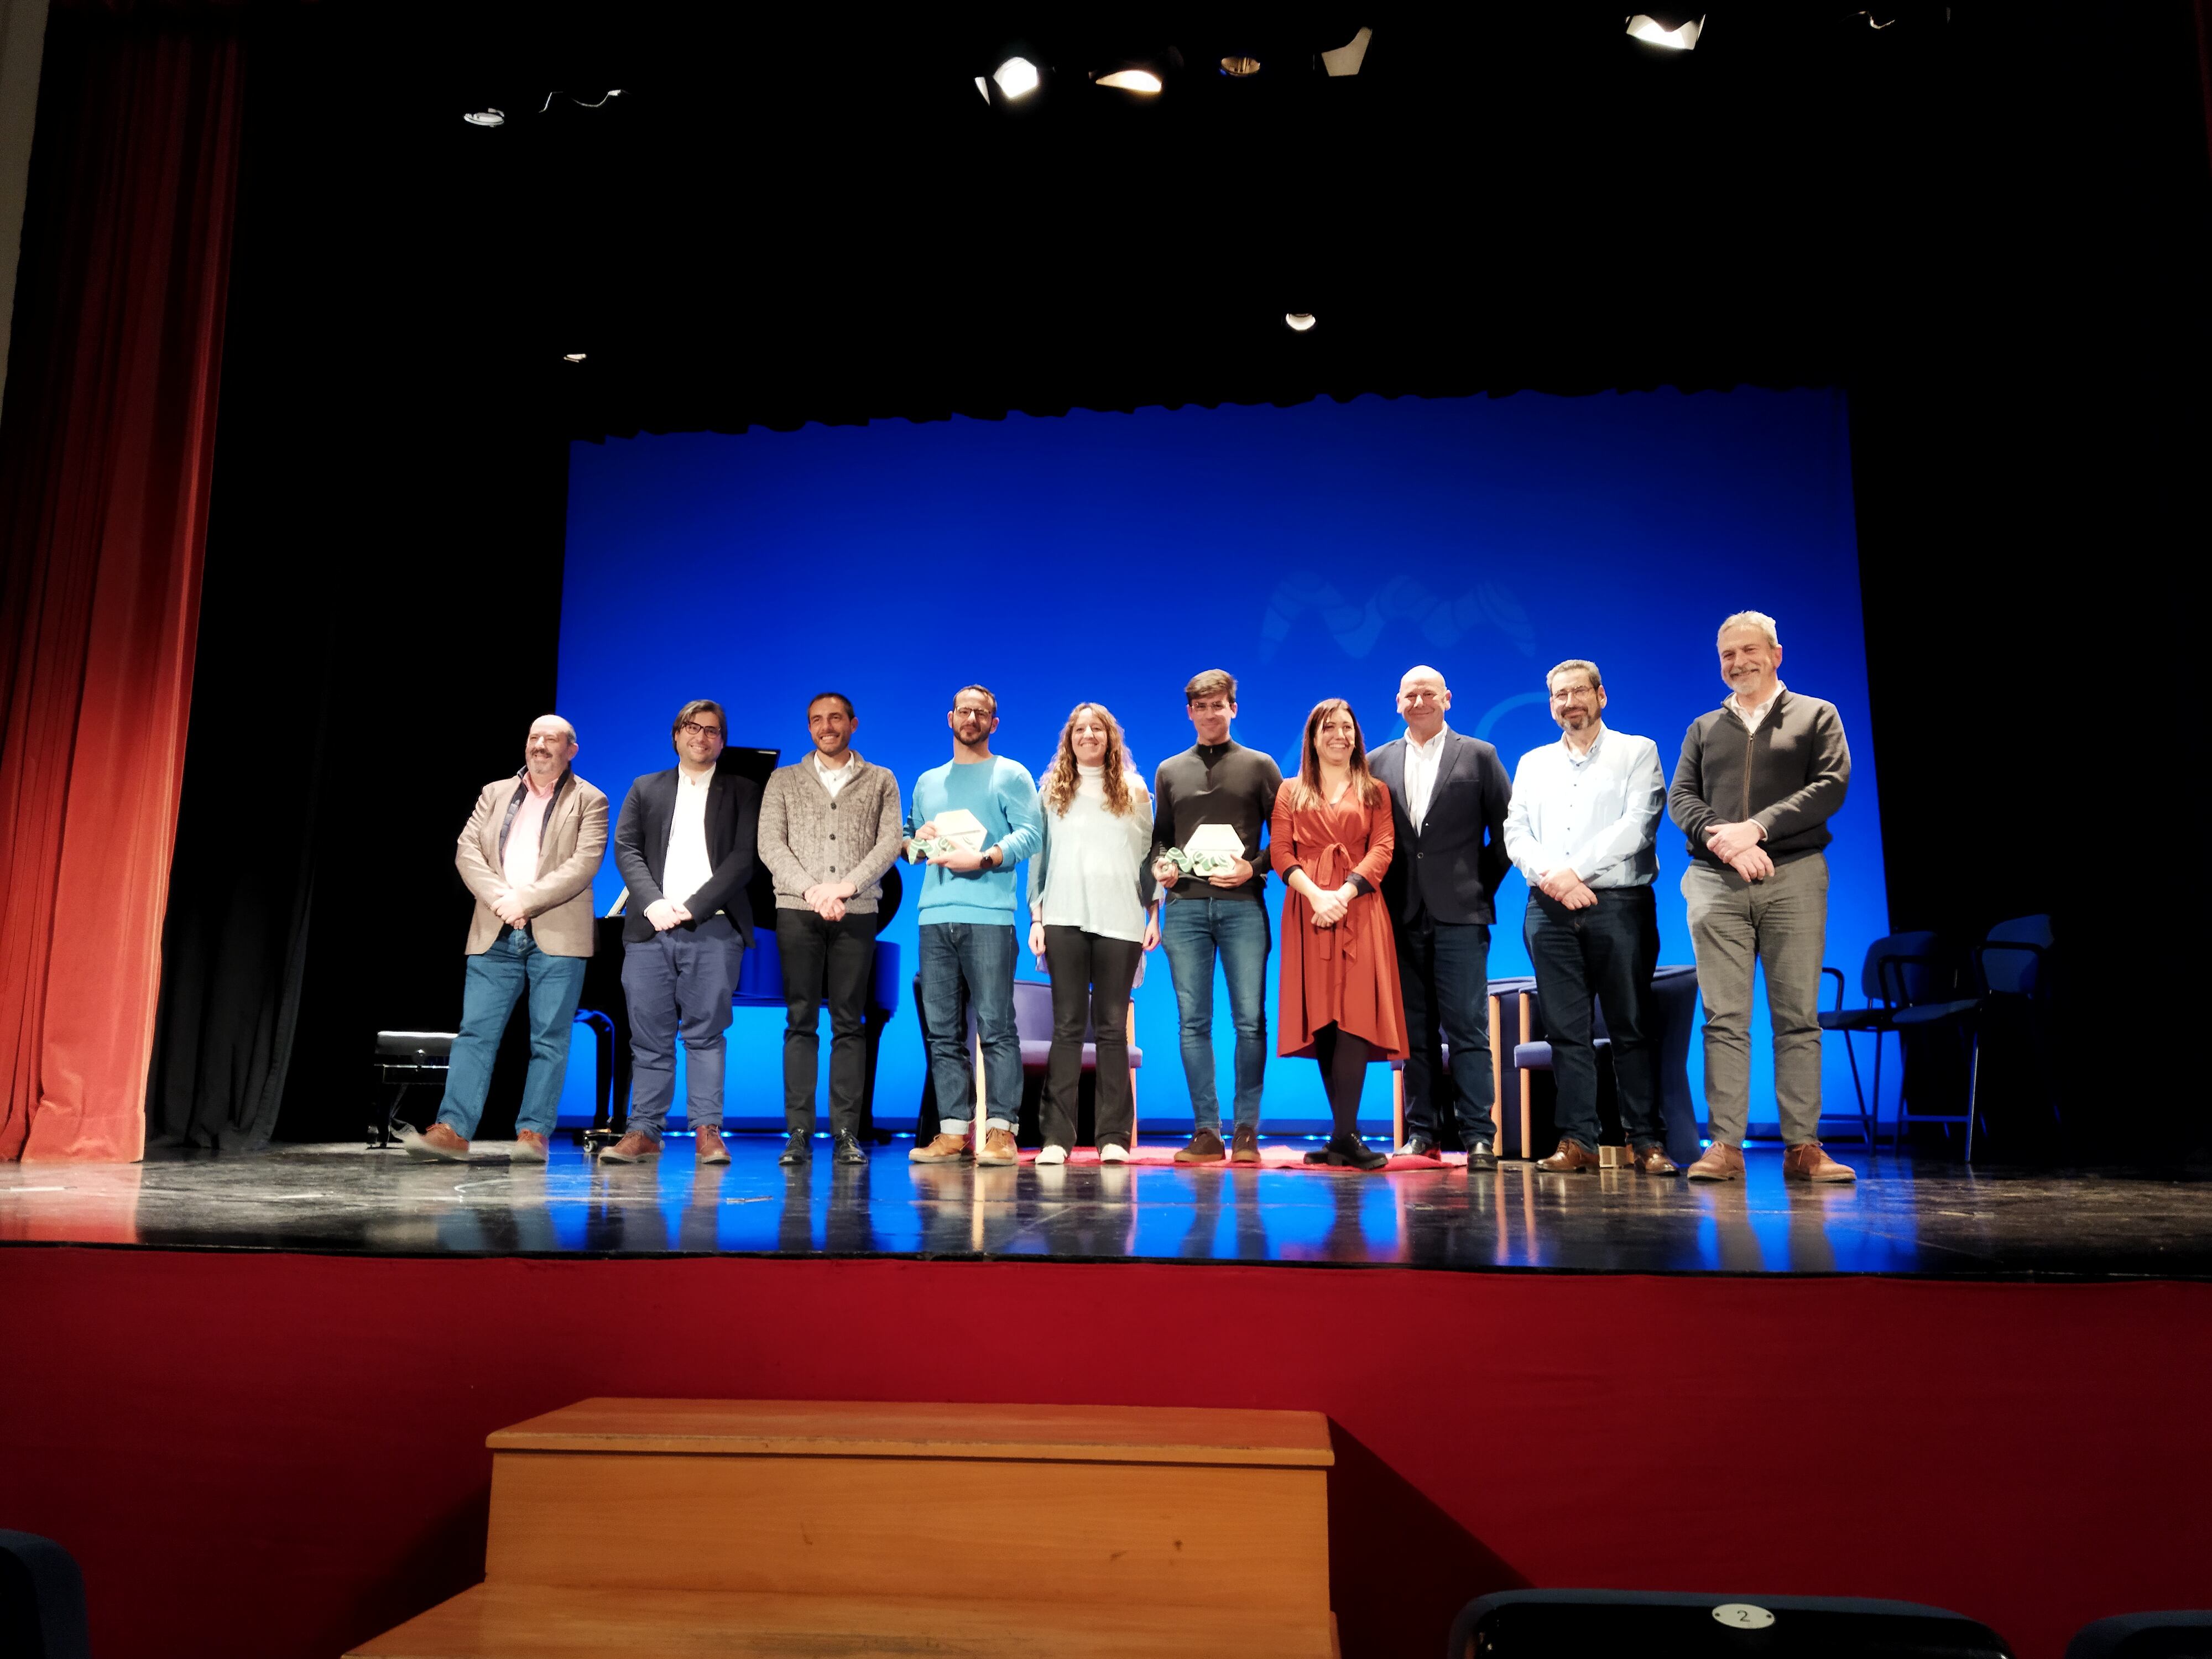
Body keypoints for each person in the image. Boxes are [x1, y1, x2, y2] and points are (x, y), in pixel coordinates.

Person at [1669, 610, 1856, 1183]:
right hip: (1714, 879)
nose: (1738, 662)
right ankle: (1725, 1145)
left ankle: (1803, 1147)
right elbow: (1680, 797)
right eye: (1727, 654)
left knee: (1796, 1016)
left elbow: (1831, 785)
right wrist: (1725, 842)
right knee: (1723, 1018)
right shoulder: (1704, 727)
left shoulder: (1815, 715)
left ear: (1776, 654)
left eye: (1750, 650)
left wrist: (1758, 828)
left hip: (1793, 875)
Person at [404, 716, 609, 1164]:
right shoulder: (493, 793)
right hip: (495, 930)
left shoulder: (590, 799)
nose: (540, 746)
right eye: (534, 738)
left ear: (571, 750)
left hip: (556, 932)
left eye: (551, 739)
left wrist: (527, 902)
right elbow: (467, 851)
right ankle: (454, 1129)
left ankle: (534, 1133)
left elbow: (584, 863)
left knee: (550, 1039)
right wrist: (502, 900)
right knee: (476, 1033)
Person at [1503, 660, 1673, 1176]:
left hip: (1618, 906)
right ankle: (1578, 1140)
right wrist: (1553, 876)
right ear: (1551, 704)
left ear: (1601, 695)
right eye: (1560, 695)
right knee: (1565, 1033)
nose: (1570, 702)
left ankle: (1646, 1141)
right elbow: (1516, 831)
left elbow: (1638, 826)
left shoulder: (1637, 751)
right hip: (1548, 910)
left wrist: (1571, 871)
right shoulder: (1533, 763)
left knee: (1631, 1026)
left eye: (1580, 691)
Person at [604, 700, 761, 1165]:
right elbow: (626, 848)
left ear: (722, 740)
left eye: (713, 731)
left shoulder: (744, 790)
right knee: (649, 1037)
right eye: (693, 728)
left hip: (712, 930)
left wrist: (692, 908)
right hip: (650, 929)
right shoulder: (645, 787)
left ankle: (707, 1130)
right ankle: (644, 1131)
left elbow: (743, 859)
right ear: (676, 735)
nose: (702, 737)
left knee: (706, 1035)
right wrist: (653, 903)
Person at [1366, 665, 1512, 1166]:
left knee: (1468, 1030)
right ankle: (1422, 1133)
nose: (1420, 701)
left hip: (1461, 916)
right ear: (1398, 702)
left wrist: (1475, 887)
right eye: (1410, 694)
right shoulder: (1376, 762)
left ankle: (1478, 1136)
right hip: (1399, 914)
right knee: (1414, 1033)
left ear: (1447, 698)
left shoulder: (1480, 755)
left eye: (1429, 693)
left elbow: (1507, 835)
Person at [756, 692, 904, 1168]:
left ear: (853, 724)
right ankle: (798, 1132)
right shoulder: (783, 780)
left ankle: (846, 1133)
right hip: (797, 910)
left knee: (849, 1023)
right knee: (800, 1020)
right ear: (809, 728)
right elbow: (769, 846)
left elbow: (888, 844)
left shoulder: (881, 780)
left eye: (835, 718)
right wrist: (813, 891)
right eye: (817, 720)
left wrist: (845, 887)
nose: (826, 726)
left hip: (858, 912)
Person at [906, 686, 1044, 1167]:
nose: (971, 718)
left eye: (981, 713)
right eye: (964, 711)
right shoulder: (927, 781)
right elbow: (912, 840)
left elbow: (1031, 834)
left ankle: (1002, 1132)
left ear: (994, 723)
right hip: (934, 915)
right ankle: (951, 1133)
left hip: (988, 915)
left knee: (996, 1026)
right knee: (942, 1032)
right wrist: (915, 842)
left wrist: (984, 857)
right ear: (950, 718)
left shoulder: (1011, 774)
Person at [1149, 669, 1281, 1165]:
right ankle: (1207, 1131)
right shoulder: (1169, 771)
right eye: (1201, 707)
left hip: (1243, 906)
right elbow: (1160, 837)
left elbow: (1286, 839)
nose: (1210, 714)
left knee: (1250, 1021)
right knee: (1193, 1023)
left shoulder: (1260, 765)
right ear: (1190, 713)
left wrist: (1255, 866)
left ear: (1233, 709)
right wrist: (1160, 864)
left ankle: (1247, 1131)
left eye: (1219, 705)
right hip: (1184, 907)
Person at [1271, 698, 1406, 1171]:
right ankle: (1342, 1134)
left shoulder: (1376, 791)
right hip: (1308, 912)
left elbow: (1384, 849)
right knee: (1324, 1016)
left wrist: (1343, 894)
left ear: (1357, 736)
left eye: (1347, 727)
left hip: (1360, 909)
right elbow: (1281, 853)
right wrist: (1316, 896)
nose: (1339, 735)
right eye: (1329, 728)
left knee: (1352, 1013)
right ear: (1313, 737)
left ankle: (1345, 1135)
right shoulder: (1290, 791)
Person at [1027, 702, 1158, 1165]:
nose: (1088, 735)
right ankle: (1057, 1138)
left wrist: (1154, 915)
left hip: (1121, 921)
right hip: (1063, 917)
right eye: (1079, 729)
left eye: (1096, 729)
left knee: (1111, 1031)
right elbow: (1038, 861)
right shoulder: (1051, 793)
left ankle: (1113, 1138)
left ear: (1110, 737)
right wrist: (1037, 917)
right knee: (1066, 1028)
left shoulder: (1136, 790)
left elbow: (1148, 860)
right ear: (1069, 739)